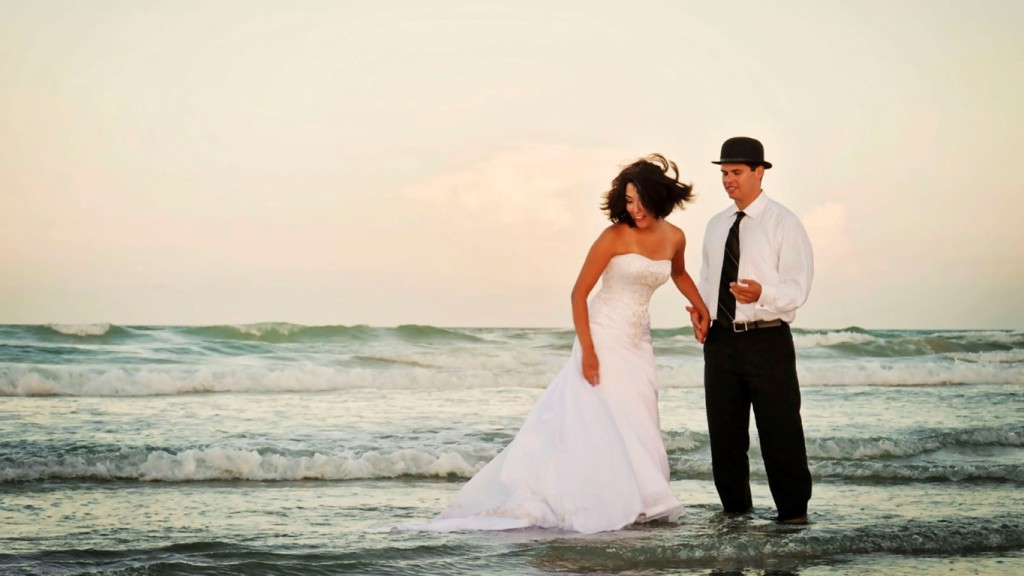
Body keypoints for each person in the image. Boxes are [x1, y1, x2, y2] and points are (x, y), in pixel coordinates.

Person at [419, 154, 710, 534]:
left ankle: (641, 497)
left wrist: (701, 308)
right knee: (599, 417)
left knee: (638, 415)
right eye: (628, 200)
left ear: (659, 197)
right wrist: (588, 351)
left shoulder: (675, 237)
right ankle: (599, 497)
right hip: (603, 335)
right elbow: (578, 294)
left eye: (640, 200)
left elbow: (679, 272)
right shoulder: (613, 237)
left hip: (639, 342)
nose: (634, 209)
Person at [687, 136, 814, 525]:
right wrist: (702, 312)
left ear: (760, 172)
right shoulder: (715, 225)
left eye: (737, 172)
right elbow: (709, 277)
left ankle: (793, 519)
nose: (728, 180)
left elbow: (797, 289)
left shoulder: (784, 222)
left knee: (781, 434)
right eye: (724, 173)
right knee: (725, 438)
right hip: (721, 343)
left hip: (768, 338)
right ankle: (736, 516)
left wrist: (762, 293)